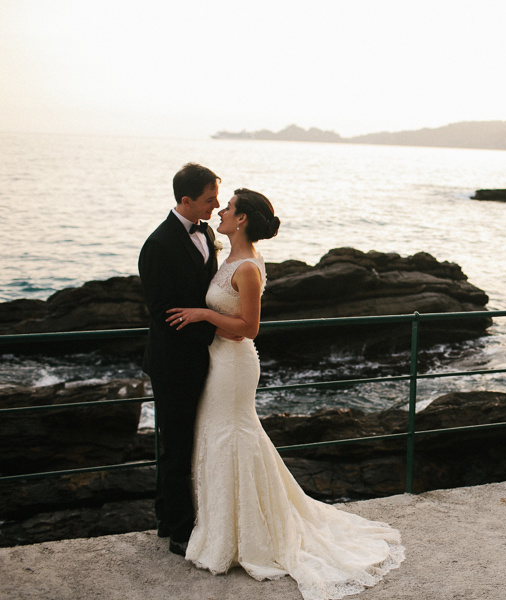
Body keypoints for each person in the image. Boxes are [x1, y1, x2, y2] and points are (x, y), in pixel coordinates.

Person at [166, 189, 404, 599]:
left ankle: (248, 537)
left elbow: (250, 328)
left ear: (241, 220)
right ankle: (226, 528)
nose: (220, 210)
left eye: (228, 207)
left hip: (235, 364)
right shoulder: (228, 256)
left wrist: (204, 314)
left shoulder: (248, 269)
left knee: (231, 435)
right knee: (219, 434)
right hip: (218, 360)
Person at [139, 162, 228, 556]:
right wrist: (212, 329)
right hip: (173, 361)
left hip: (199, 357)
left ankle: (164, 517)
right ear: (186, 200)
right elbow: (162, 311)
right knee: (176, 445)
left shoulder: (207, 231)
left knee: (183, 442)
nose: (217, 205)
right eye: (210, 199)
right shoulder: (158, 245)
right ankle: (179, 532)